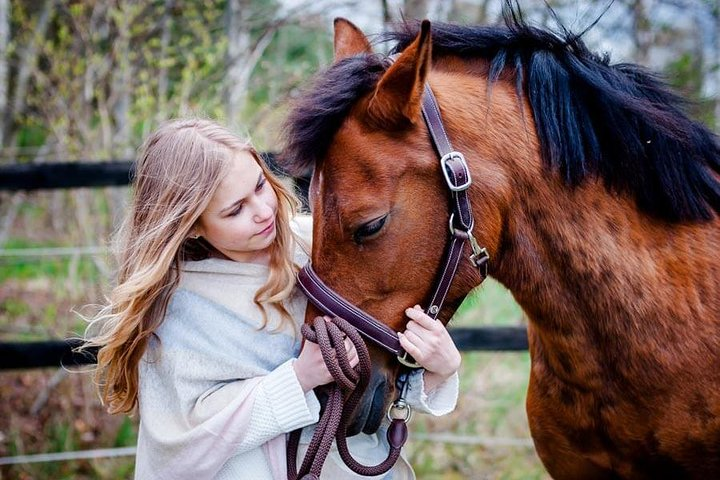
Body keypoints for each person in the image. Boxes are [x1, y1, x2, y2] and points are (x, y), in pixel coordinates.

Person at [84, 118, 461, 479]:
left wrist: (436, 369)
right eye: (235, 210)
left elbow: (376, 386)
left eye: (260, 186)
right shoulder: (178, 309)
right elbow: (182, 444)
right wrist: (299, 378)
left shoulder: (321, 249)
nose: (263, 211)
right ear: (194, 226)